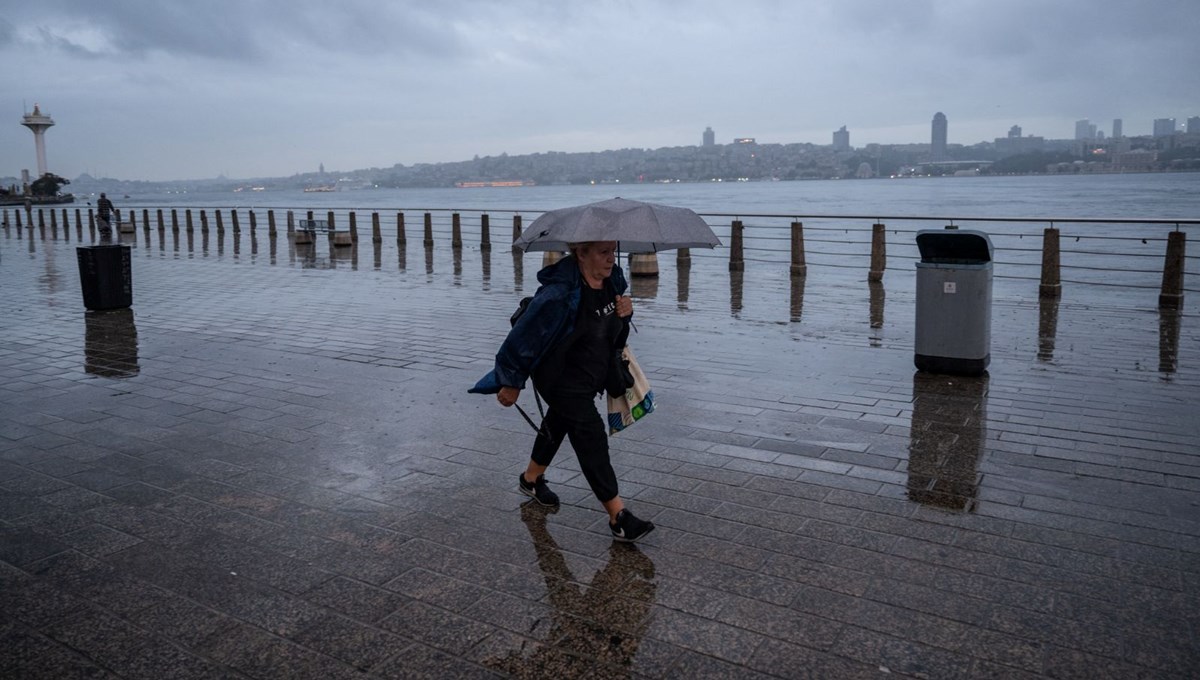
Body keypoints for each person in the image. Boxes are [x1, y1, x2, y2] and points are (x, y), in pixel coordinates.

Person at [470, 241, 656, 542]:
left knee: (559, 422)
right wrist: (511, 381)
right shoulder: (558, 294)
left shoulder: (615, 281)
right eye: (602, 252)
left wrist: (626, 313)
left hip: (591, 375)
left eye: (612, 251)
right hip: (558, 377)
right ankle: (618, 516)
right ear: (581, 253)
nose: (610, 258)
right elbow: (524, 337)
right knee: (589, 434)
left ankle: (530, 479)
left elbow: (614, 335)